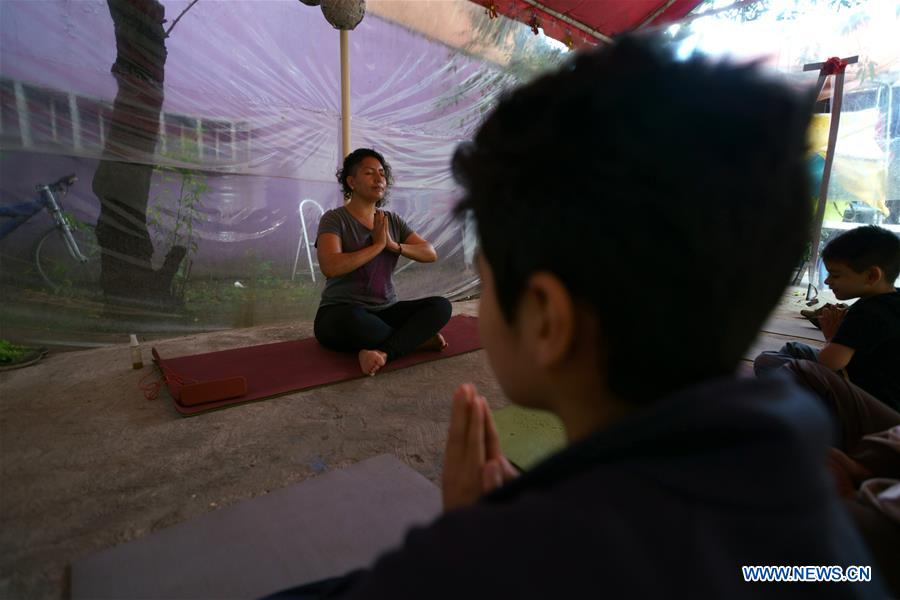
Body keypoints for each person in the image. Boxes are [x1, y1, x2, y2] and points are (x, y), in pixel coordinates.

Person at [268, 36, 884, 598]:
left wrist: (472, 544)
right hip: (346, 314)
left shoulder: (512, 563)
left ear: (545, 319)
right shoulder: (824, 527)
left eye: (488, 275)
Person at [313, 148, 452, 376]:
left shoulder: (392, 220)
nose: (379, 179)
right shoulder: (334, 219)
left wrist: (393, 245)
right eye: (369, 173)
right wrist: (376, 246)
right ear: (352, 182)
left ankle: (383, 352)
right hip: (341, 311)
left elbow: (430, 253)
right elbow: (331, 267)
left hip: (386, 309)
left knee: (440, 306)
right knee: (356, 322)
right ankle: (415, 341)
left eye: (382, 174)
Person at [755, 225, 900, 410]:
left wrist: (832, 336)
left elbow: (830, 363)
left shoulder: (868, 311)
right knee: (795, 349)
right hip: (880, 390)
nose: (827, 281)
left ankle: (805, 410)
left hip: (869, 404)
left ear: (871, 276)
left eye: (835, 275)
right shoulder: (892, 300)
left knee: (767, 362)